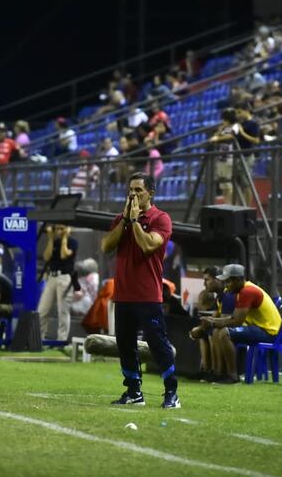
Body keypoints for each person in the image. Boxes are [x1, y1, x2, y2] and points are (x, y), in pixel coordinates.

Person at [101, 172, 180, 408]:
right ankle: (134, 392)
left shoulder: (161, 218)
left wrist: (135, 222)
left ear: (151, 193)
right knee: (125, 344)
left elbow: (147, 245)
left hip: (147, 295)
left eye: (138, 190)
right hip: (123, 294)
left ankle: (171, 393)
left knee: (158, 344)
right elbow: (106, 246)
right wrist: (126, 220)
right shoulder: (121, 219)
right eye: (131, 190)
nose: (133, 194)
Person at [192, 264, 282, 384]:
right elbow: (233, 318)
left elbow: (236, 321)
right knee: (219, 331)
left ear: (238, 280)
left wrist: (212, 323)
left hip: (269, 332)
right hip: (260, 328)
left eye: (228, 281)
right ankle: (220, 374)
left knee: (224, 332)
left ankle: (232, 376)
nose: (226, 284)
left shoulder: (247, 291)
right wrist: (212, 322)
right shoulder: (241, 291)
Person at [37, 224, 78, 342]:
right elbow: (46, 256)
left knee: (63, 311)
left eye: (62, 228)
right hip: (52, 277)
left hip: (65, 278)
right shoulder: (54, 241)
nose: (59, 231)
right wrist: (50, 238)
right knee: (43, 309)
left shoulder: (72, 241)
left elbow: (64, 255)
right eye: (57, 229)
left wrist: (65, 237)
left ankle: (61, 340)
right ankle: (38, 338)